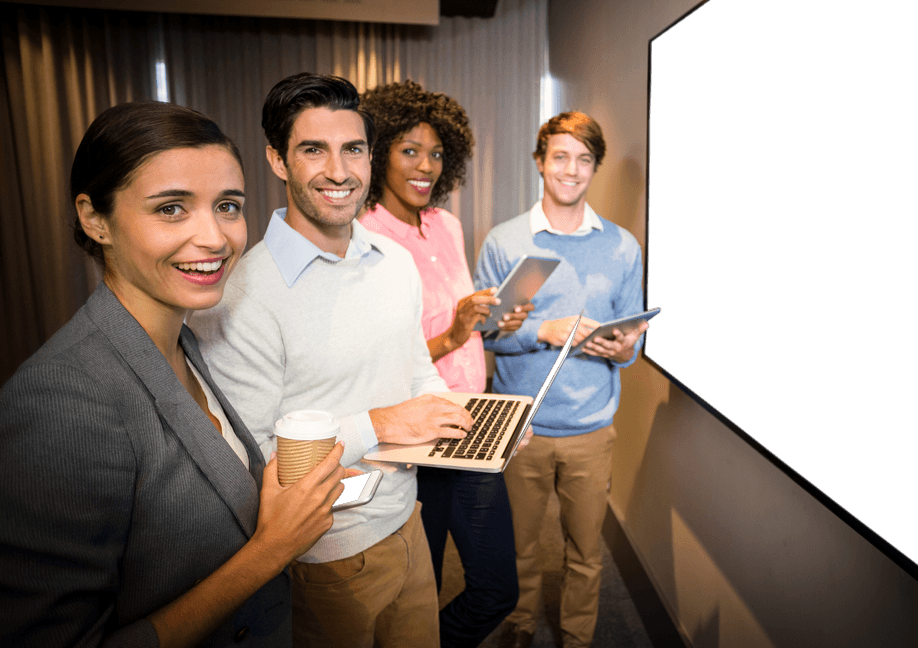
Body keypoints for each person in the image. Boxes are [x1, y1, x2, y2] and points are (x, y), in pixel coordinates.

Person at [0, 102, 347, 647]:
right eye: (171, 209)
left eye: (227, 206)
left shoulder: (183, 341)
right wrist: (270, 550)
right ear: (94, 219)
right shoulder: (61, 398)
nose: (215, 238)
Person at [188, 73, 475, 648]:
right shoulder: (242, 296)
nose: (339, 172)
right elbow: (252, 458)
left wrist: (470, 420)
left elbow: (418, 370)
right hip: (325, 555)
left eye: (354, 149)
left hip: (409, 522)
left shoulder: (394, 261)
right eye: (314, 150)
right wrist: (382, 423)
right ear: (278, 159)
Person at [358, 80, 533, 648]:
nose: (426, 166)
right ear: (379, 153)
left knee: (496, 590)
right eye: (409, 150)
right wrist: (455, 332)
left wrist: (491, 321)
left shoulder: (448, 226)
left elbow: (458, 323)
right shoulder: (365, 238)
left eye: (436, 153)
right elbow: (383, 359)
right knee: (418, 594)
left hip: (471, 419)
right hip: (415, 439)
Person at [474, 112, 649, 648]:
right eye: (561, 157)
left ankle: (577, 635)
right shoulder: (505, 242)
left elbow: (632, 340)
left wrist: (624, 349)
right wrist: (544, 331)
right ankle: (521, 623)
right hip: (519, 426)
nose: (571, 170)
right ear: (540, 161)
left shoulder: (622, 247)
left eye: (584, 159)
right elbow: (483, 334)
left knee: (586, 551)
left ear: (594, 167)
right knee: (519, 545)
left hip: (591, 428)